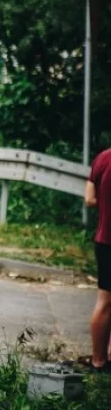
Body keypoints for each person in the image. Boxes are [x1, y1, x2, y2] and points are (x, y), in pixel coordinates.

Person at [85, 146, 111, 373]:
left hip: (104, 240)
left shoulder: (103, 157)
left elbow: (89, 199)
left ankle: (99, 360)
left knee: (105, 301)